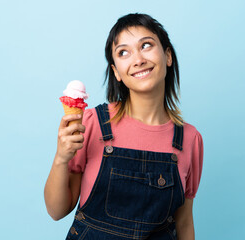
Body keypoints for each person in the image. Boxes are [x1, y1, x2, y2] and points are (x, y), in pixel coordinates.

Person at [44, 13, 204, 240]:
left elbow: (185, 222)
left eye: (146, 45)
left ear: (168, 55)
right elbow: (56, 210)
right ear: (117, 72)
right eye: (123, 52)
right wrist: (61, 157)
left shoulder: (190, 139)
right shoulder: (91, 124)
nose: (138, 59)